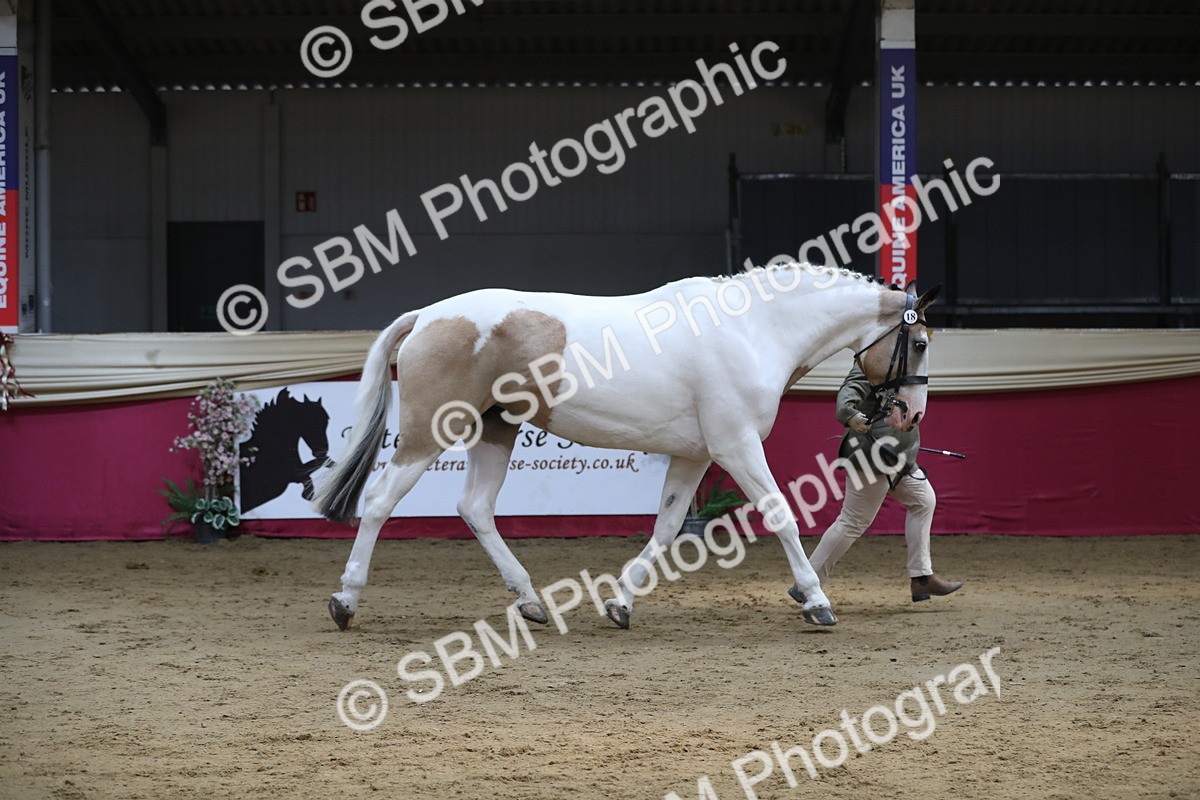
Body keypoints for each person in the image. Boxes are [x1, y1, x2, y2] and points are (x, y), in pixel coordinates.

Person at [801, 363, 963, 608]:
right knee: (852, 521)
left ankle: (921, 577)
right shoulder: (873, 360)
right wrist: (849, 413)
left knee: (923, 501)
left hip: (900, 455)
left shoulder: (910, 364)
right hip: (872, 454)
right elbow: (851, 388)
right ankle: (808, 583)